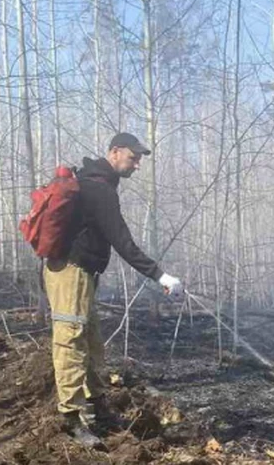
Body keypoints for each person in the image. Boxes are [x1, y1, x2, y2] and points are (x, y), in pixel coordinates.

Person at [44, 132, 182, 448]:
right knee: (70, 342)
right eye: (134, 158)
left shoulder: (93, 183)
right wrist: (161, 276)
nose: (137, 165)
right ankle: (72, 419)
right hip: (71, 273)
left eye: (140, 159)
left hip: (77, 273)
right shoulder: (98, 189)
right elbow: (123, 242)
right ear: (115, 152)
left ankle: (96, 409)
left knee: (92, 342)